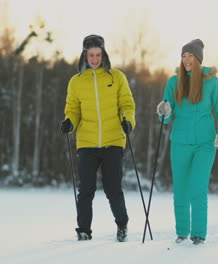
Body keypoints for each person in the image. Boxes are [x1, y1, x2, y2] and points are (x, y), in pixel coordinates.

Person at [60, 34, 136, 242]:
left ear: (104, 54)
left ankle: (122, 224)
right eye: (90, 55)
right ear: (84, 55)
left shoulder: (116, 77)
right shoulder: (76, 82)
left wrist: (127, 121)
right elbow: (73, 110)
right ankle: (84, 230)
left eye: (98, 54)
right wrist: (69, 123)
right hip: (87, 142)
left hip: (113, 141)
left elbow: (127, 105)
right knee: (86, 189)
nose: (94, 59)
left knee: (112, 189)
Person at [156, 39, 218, 245]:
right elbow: (166, 116)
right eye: (183, 56)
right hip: (179, 141)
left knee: (198, 188)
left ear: (198, 59)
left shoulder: (212, 82)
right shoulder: (174, 81)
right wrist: (164, 111)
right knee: (181, 189)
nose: (186, 60)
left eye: (190, 56)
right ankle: (182, 232)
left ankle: (198, 234)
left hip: (205, 143)